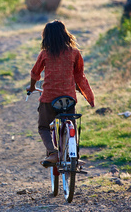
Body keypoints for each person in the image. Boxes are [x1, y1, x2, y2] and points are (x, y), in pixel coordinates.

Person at [26, 20, 95, 166]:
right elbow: (79, 75)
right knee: (72, 123)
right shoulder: (75, 53)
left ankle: (52, 153)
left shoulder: (45, 54)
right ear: (65, 35)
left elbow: (34, 74)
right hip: (68, 98)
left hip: (49, 98)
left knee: (43, 126)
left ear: (47, 37)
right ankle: (73, 154)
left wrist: (32, 87)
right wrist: (83, 91)